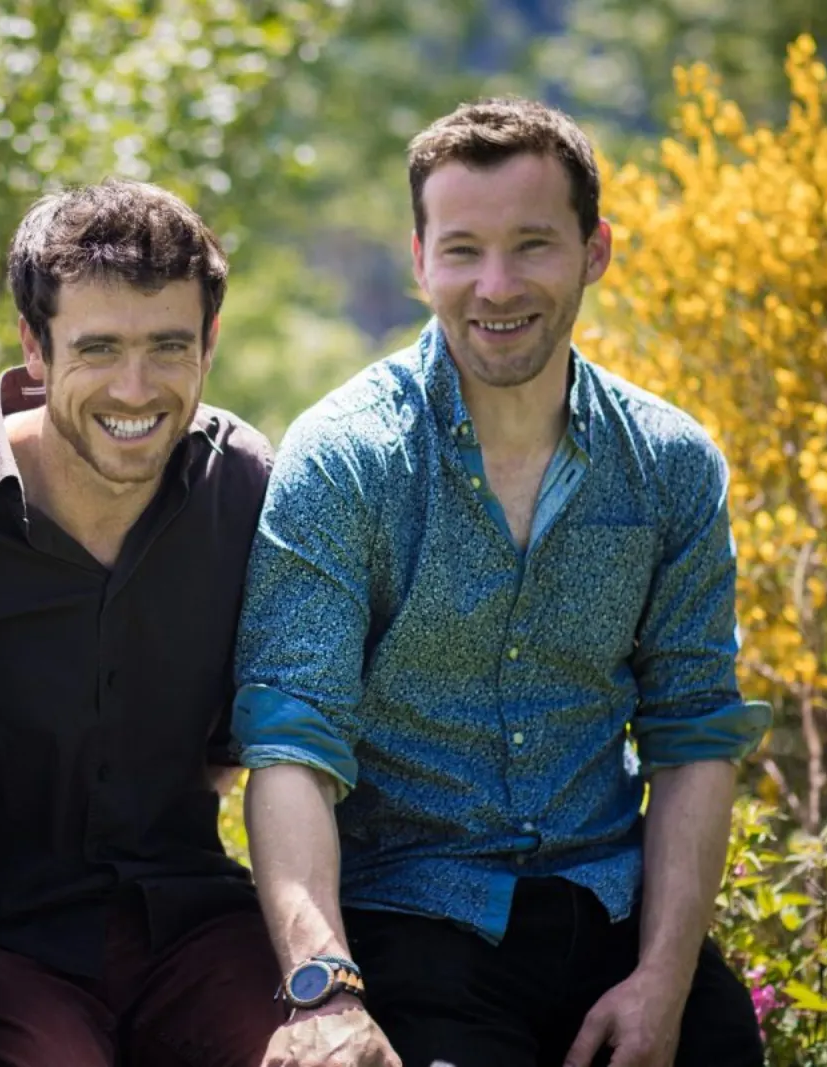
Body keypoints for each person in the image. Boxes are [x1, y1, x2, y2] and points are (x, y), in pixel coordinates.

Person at [232, 99, 771, 1067]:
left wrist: (663, 979)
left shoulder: (671, 464)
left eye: (532, 245)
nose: (496, 285)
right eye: (462, 249)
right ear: (418, 258)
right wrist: (325, 988)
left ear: (594, 250)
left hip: (614, 911)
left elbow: (692, 733)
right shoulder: (344, 459)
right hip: (413, 915)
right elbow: (290, 748)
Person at [0, 178, 284, 1066]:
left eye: (169, 345)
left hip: (197, 925)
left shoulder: (244, 486)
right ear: (35, 347)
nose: (137, 388)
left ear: (209, 342)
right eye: (98, 348)